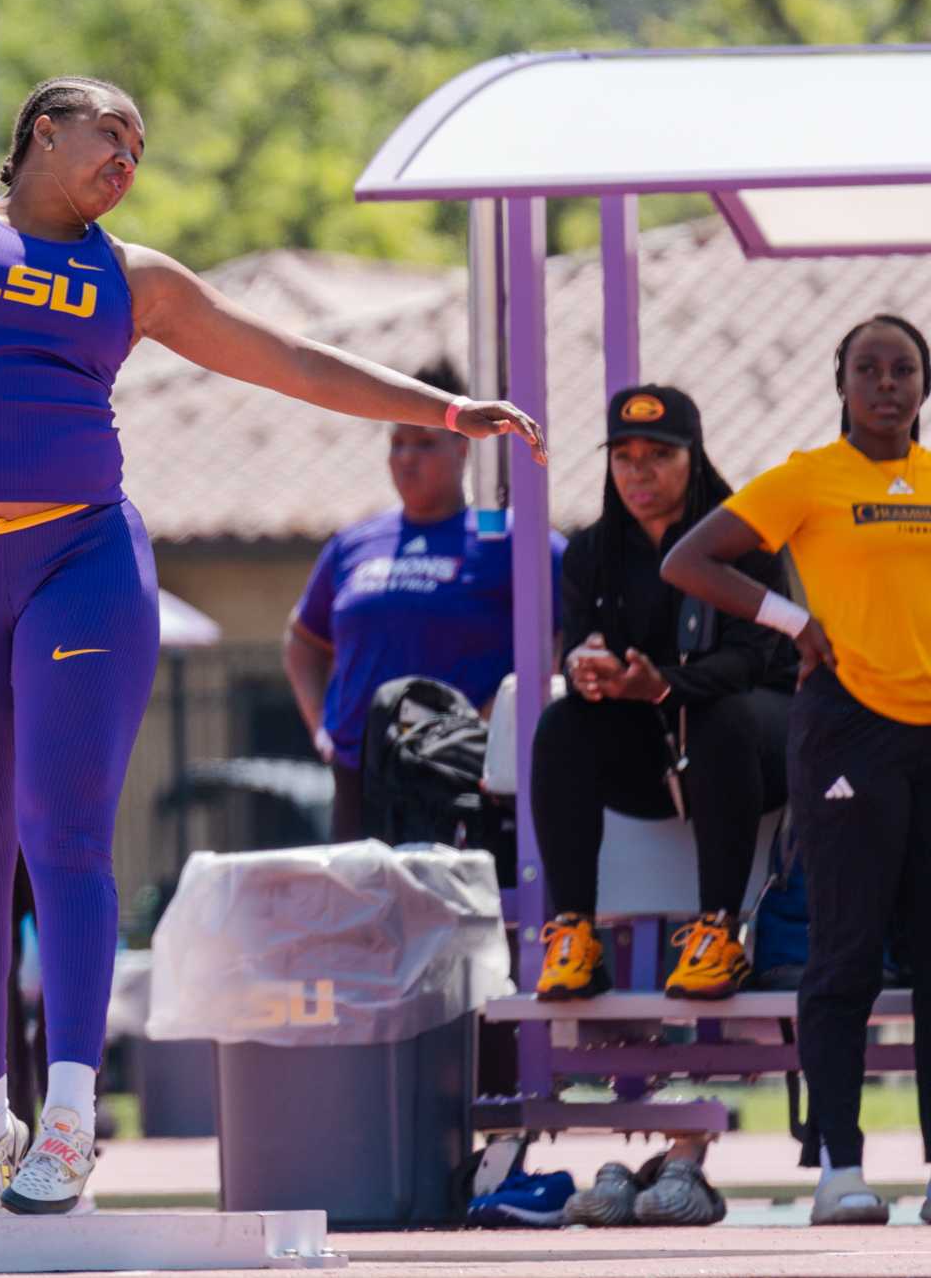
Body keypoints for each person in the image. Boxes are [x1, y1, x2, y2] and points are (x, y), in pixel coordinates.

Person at [0, 15, 546, 1215]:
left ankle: (69, 1118)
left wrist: (445, 411)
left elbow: (290, 360)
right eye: (113, 132)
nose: (128, 157)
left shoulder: (134, 277)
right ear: (42, 133)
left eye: (139, 147)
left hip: (78, 561)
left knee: (64, 836)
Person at [664, 314, 931, 1228]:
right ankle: (840, 1170)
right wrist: (791, 621)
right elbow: (688, 559)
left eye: (904, 369)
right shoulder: (810, 477)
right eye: (870, 368)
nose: (887, 383)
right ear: (842, 383)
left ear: (924, 387)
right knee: (845, 953)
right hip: (848, 731)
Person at [533, 385, 797, 1006]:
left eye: (658, 454)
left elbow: (751, 661)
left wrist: (664, 686)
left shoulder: (743, 541)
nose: (638, 472)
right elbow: (578, 648)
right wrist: (588, 671)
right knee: (561, 725)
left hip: (756, 748)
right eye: (623, 457)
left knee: (720, 715)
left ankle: (718, 934)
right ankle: (573, 933)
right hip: (655, 756)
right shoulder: (591, 553)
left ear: (693, 458)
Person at [284, 361, 562, 842]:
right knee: (365, 912)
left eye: (424, 443)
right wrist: (322, 730)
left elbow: (568, 629)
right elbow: (302, 640)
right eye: (397, 444)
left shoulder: (511, 538)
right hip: (360, 773)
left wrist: (506, 717)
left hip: (461, 775)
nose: (407, 458)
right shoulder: (354, 544)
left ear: (463, 446)